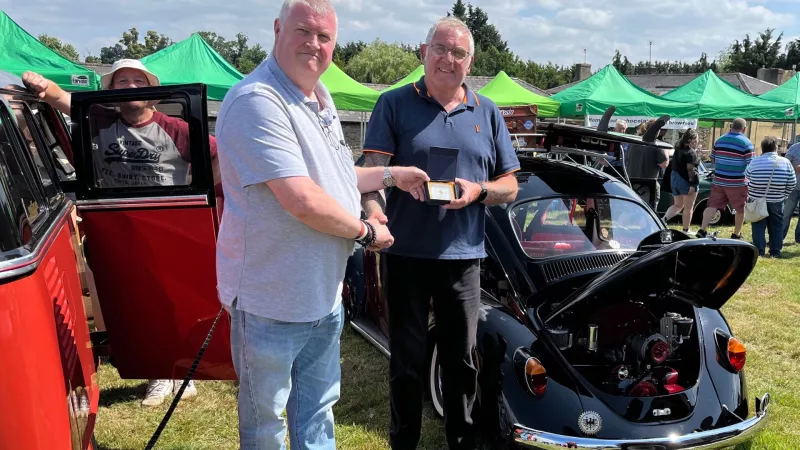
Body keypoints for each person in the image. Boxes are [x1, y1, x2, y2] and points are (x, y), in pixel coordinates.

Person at [213, 1, 429, 449]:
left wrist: (391, 175)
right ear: (277, 30)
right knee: (266, 424)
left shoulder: (319, 98)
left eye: (325, 36)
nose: (314, 43)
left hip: (322, 295)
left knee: (317, 412)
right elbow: (302, 199)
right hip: (269, 299)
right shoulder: (259, 100)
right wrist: (366, 232)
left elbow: (333, 176)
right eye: (303, 31)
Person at [360, 16, 520, 450]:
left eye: (459, 53)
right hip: (405, 252)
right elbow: (372, 176)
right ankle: (404, 443)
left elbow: (510, 184)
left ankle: (462, 443)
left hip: (463, 257)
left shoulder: (487, 112)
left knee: (461, 362)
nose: (449, 59)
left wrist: (479, 191)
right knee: (407, 364)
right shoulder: (393, 104)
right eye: (441, 49)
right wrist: (376, 218)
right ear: (423, 52)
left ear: (471, 61)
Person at [22, 59, 219, 406]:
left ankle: (183, 373)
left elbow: (219, 156)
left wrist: (201, 191)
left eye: (137, 81)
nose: (129, 87)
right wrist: (40, 84)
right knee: (136, 304)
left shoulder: (176, 129)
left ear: (152, 93)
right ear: (110, 92)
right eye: (121, 81)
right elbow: (63, 100)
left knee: (173, 301)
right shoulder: (97, 122)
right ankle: (158, 374)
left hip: (169, 223)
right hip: (117, 225)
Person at [696, 118, 754, 239]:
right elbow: (750, 163)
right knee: (740, 209)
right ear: (744, 128)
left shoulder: (719, 140)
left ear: (731, 126)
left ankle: (702, 229)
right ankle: (736, 234)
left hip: (719, 180)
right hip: (737, 182)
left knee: (712, 205)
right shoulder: (746, 143)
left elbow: (713, 158)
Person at [744, 136, 796, 257]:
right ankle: (775, 251)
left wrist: (752, 191)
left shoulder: (754, 162)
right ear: (775, 148)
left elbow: (746, 178)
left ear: (762, 148)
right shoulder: (785, 162)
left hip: (757, 199)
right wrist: (784, 195)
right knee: (776, 226)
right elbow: (792, 182)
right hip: (777, 199)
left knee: (757, 225)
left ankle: (759, 251)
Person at [663, 129, 701, 233]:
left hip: (674, 178)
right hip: (685, 180)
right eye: (697, 139)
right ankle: (686, 229)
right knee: (689, 207)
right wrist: (693, 185)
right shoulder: (691, 152)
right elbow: (691, 170)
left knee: (678, 205)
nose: (698, 141)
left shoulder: (678, 148)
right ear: (692, 140)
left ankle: (663, 220)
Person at [625, 121, 669, 209]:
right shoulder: (656, 145)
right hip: (648, 185)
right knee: (649, 212)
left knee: (632, 209)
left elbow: (626, 159)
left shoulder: (634, 142)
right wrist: (666, 152)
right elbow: (664, 164)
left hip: (631, 182)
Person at [782, 138, 800, 243]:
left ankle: (799, 238)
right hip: (793, 187)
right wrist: (795, 167)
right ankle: (780, 237)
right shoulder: (794, 147)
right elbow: (785, 163)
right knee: (786, 213)